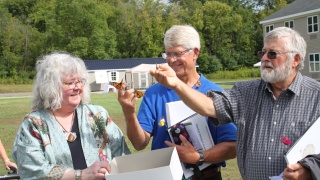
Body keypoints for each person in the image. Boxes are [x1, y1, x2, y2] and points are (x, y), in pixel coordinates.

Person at [150, 26, 320, 179]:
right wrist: (176, 84)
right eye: (263, 53)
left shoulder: (316, 96)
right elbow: (209, 106)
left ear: (296, 59)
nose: (265, 58)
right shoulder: (246, 92)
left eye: (272, 53)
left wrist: (309, 170)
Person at [118, 25, 237, 180]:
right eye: (168, 54)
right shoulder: (154, 93)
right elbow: (139, 144)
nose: (172, 60)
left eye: (177, 53)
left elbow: (232, 146)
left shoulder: (215, 94)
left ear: (195, 53)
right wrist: (129, 113)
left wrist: (198, 157)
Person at [12, 52, 130, 179]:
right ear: (51, 86)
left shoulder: (97, 115)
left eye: (81, 81)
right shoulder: (34, 124)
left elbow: (122, 157)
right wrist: (81, 175)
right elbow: (32, 169)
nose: (78, 87)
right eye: (71, 82)